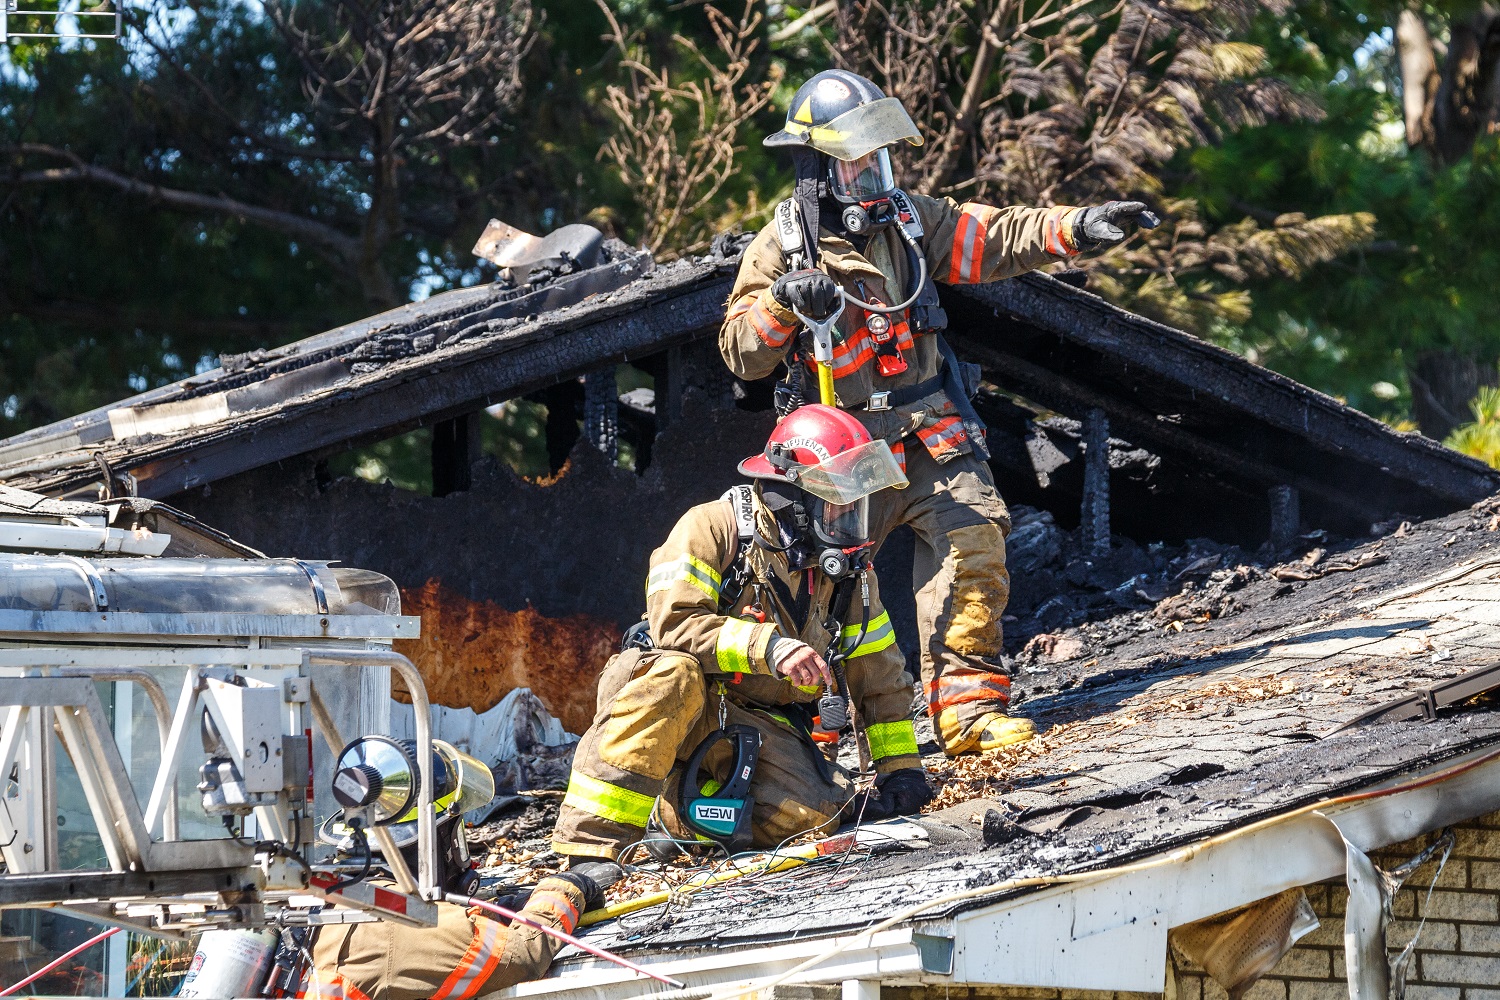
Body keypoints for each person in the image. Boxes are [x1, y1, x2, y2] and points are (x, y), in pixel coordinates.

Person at [720, 69, 1156, 756]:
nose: (874, 174)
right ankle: (807, 738)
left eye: (879, 158)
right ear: (818, 169)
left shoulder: (909, 220)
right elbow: (741, 355)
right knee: (822, 591)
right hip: (840, 450)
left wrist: (1076, 227)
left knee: (973, 547)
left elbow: (993, 235)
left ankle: (970, 713)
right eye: (857, 161)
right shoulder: (782, 247)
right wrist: (782, 304)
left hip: (928, 432)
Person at [551, 405, 933, 862]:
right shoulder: (712, 528)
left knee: (816, 815)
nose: (851, 516)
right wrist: (769, 648)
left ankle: (677, 815)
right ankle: (591, 851)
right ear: (792, 497)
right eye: (838, 502)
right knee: (674, 674)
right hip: (676, 701)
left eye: (857, 504)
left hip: (752, 717)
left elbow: (878, 672)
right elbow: (674, 625)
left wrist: (900, 769)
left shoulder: (845, 572)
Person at [301, 743, 618, 1000]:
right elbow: (520, 954)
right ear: (436, 840)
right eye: (458, 838)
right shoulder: (397, 924)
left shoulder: (315, 892)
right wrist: (566, 888)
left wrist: (490, 913)